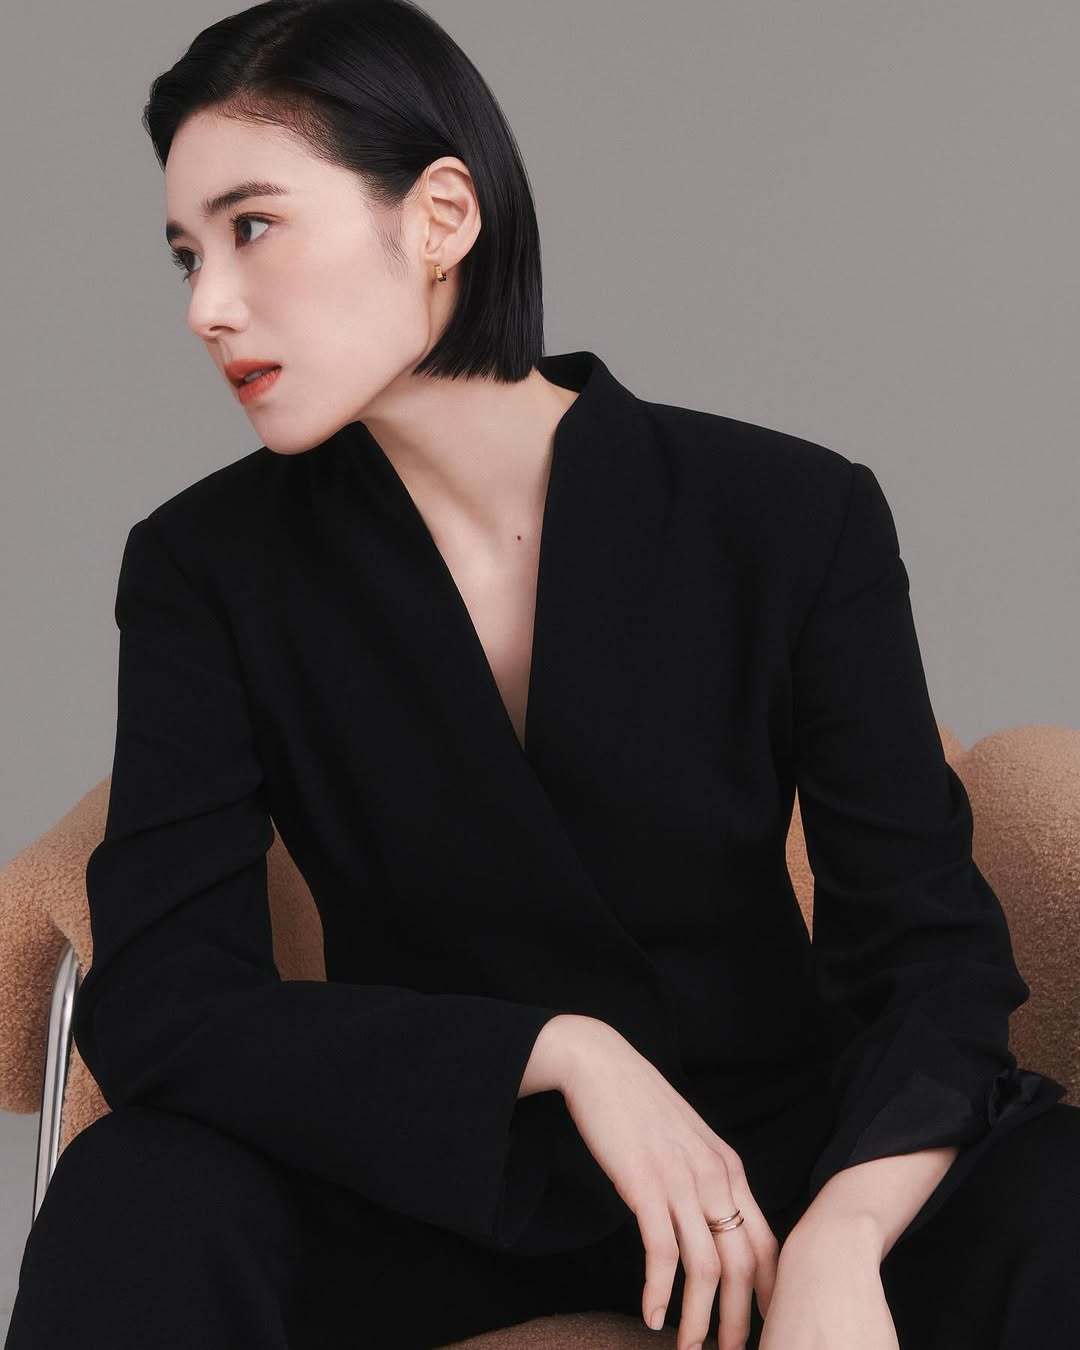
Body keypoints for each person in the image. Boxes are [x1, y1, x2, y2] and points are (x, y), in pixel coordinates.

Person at [7, 2, 1079, 1348]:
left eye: (254, 226)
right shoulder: (205, 565)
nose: (207, 306)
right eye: (187, 254)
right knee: (139, 1192)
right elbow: (168, 999)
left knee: (1058, 1200)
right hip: (431, 1173)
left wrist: (846, 1234)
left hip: (774, 1163)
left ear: (441, 215)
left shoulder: (790, 514)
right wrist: (557, 1052)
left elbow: (928, 953)